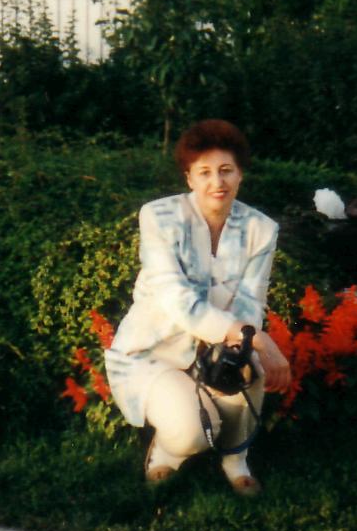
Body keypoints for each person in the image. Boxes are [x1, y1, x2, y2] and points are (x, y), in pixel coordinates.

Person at [104, 119, 292, 495]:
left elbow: (251, 299)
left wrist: (241, 348)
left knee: (249, 369)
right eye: (204, 172)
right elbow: (176, 299)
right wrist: (258, 340)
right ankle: (167, 451)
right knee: (191, 432)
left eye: (226, 170)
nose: (217, 182)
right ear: (189, 178)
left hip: (218, 346)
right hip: (154, 351)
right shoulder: (158, 217)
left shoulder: (261, 229)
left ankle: (235, 459)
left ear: (240, 174)